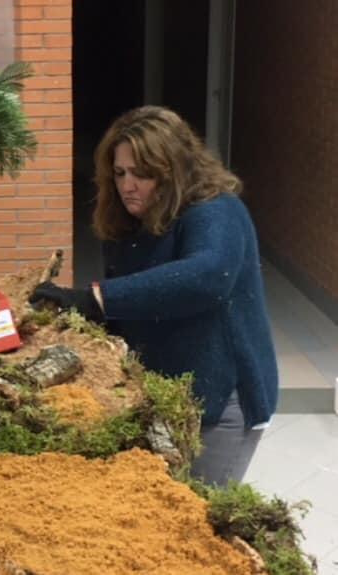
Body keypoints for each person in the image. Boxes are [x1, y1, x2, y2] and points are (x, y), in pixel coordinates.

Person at [29, 105, 278, 486]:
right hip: (165, 396)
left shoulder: (218, 210)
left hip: (220, 403)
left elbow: (208, 275)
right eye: (120, 173)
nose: (128, 185)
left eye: (142, 173)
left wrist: (97, 299)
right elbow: (137, 306)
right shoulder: (131, 224)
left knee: (201, 512)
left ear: (175, 169)